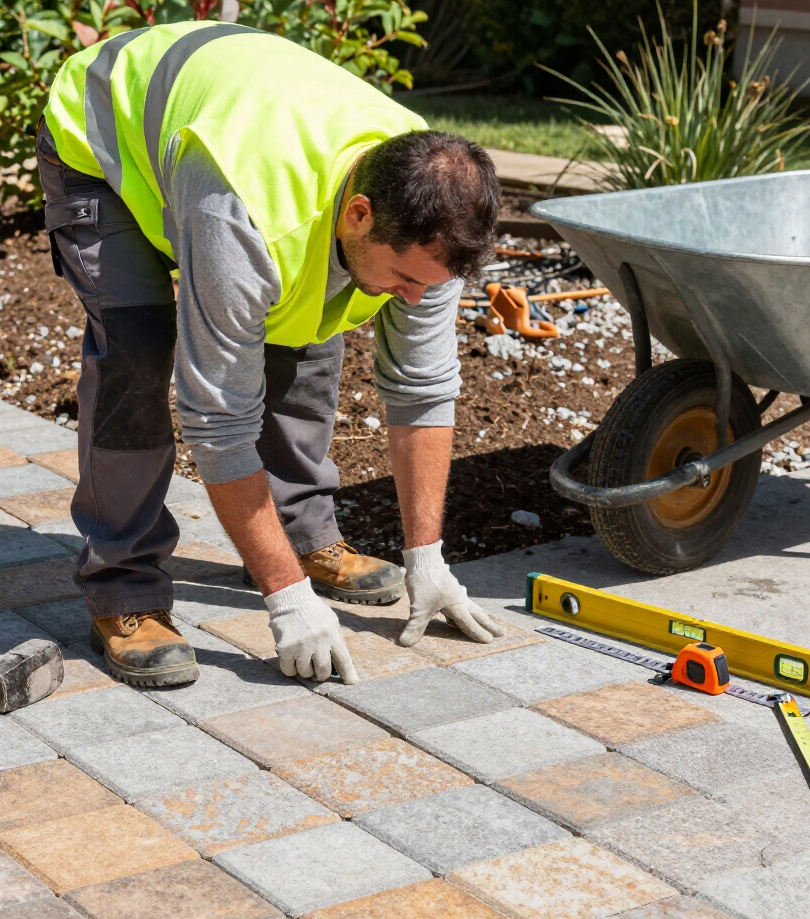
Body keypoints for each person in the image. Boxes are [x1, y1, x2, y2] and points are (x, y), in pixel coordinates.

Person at [38, 20, 507, 689]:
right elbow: (219, 417)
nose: (412, 297)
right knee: (136, 351)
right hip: (104, 138)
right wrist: (285, 602)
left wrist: (426, 559)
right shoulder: (249, 210)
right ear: (360, 214)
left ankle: (305, 534)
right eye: (405, 279)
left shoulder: (431, 223)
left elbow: (423, 387)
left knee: (309, 319)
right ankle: (123, 588)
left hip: (235, 140)